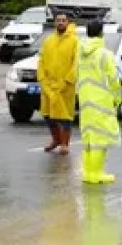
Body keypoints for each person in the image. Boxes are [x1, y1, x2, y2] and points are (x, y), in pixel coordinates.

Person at [76, 20, 122, 184]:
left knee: (88, 138)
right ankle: (96, 174)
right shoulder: (105, 54)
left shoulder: (80, 52)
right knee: (100, 140)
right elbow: (114, 79)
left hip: (85, 99)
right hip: (101, 100)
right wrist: (118, 96)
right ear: (101, 33)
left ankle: (88, 173)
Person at [37, 12, 79, 155]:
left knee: (64, 116)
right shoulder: (48, 40)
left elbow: (76, 63)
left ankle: (65, 144)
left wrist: (68, 80)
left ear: (68, 22)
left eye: (63, 20)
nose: (60, 23)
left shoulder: (74, 41)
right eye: (58, 20)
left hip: (65, 86)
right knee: (48, 115)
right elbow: (41, 61)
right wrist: (42, 79)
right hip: (49, 86)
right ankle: (56, 139)